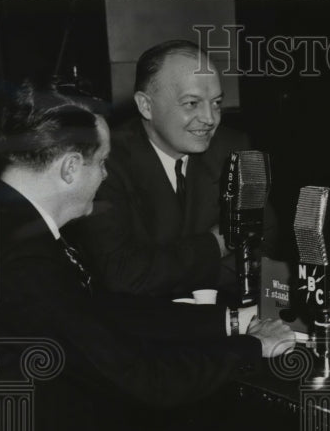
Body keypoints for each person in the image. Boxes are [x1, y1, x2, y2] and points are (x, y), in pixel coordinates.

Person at [0, 80, 294, 431]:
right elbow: (142, 379)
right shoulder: (24, 261)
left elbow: (98, 311)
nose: (104, 175)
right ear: (70, 168)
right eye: (101, 162)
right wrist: (253, 348)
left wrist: (228, 322)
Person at [70, 39, 275, 298]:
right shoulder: (105, 161)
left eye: (216, 103)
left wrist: (165, 273)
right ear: (146, 106)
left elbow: (262, 250)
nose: (210, 119)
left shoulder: (233, 147)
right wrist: (218, 243)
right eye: (192, 103)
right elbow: (119, 274)